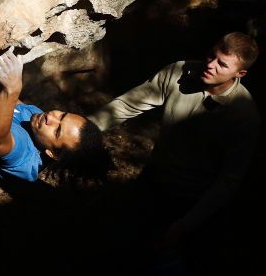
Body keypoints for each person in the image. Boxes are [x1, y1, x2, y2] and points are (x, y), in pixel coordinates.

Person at [89, 32, 260, 250]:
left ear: (240, 73)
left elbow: (229, 179)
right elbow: (127, 105)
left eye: (222, 65)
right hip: (154, 178)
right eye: (211, 55)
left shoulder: (244, 116)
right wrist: (83, 130)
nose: (210, 64)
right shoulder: (179, 71)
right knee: (120, 242)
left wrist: (187, 224)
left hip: (193, 198)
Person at [0, 49, 107, 183]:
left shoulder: (24, 156)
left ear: (53, 154)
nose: (51, 117)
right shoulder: (36, 120)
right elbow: (15, 104)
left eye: (57, 131)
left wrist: (12, 89)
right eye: (62, 115)